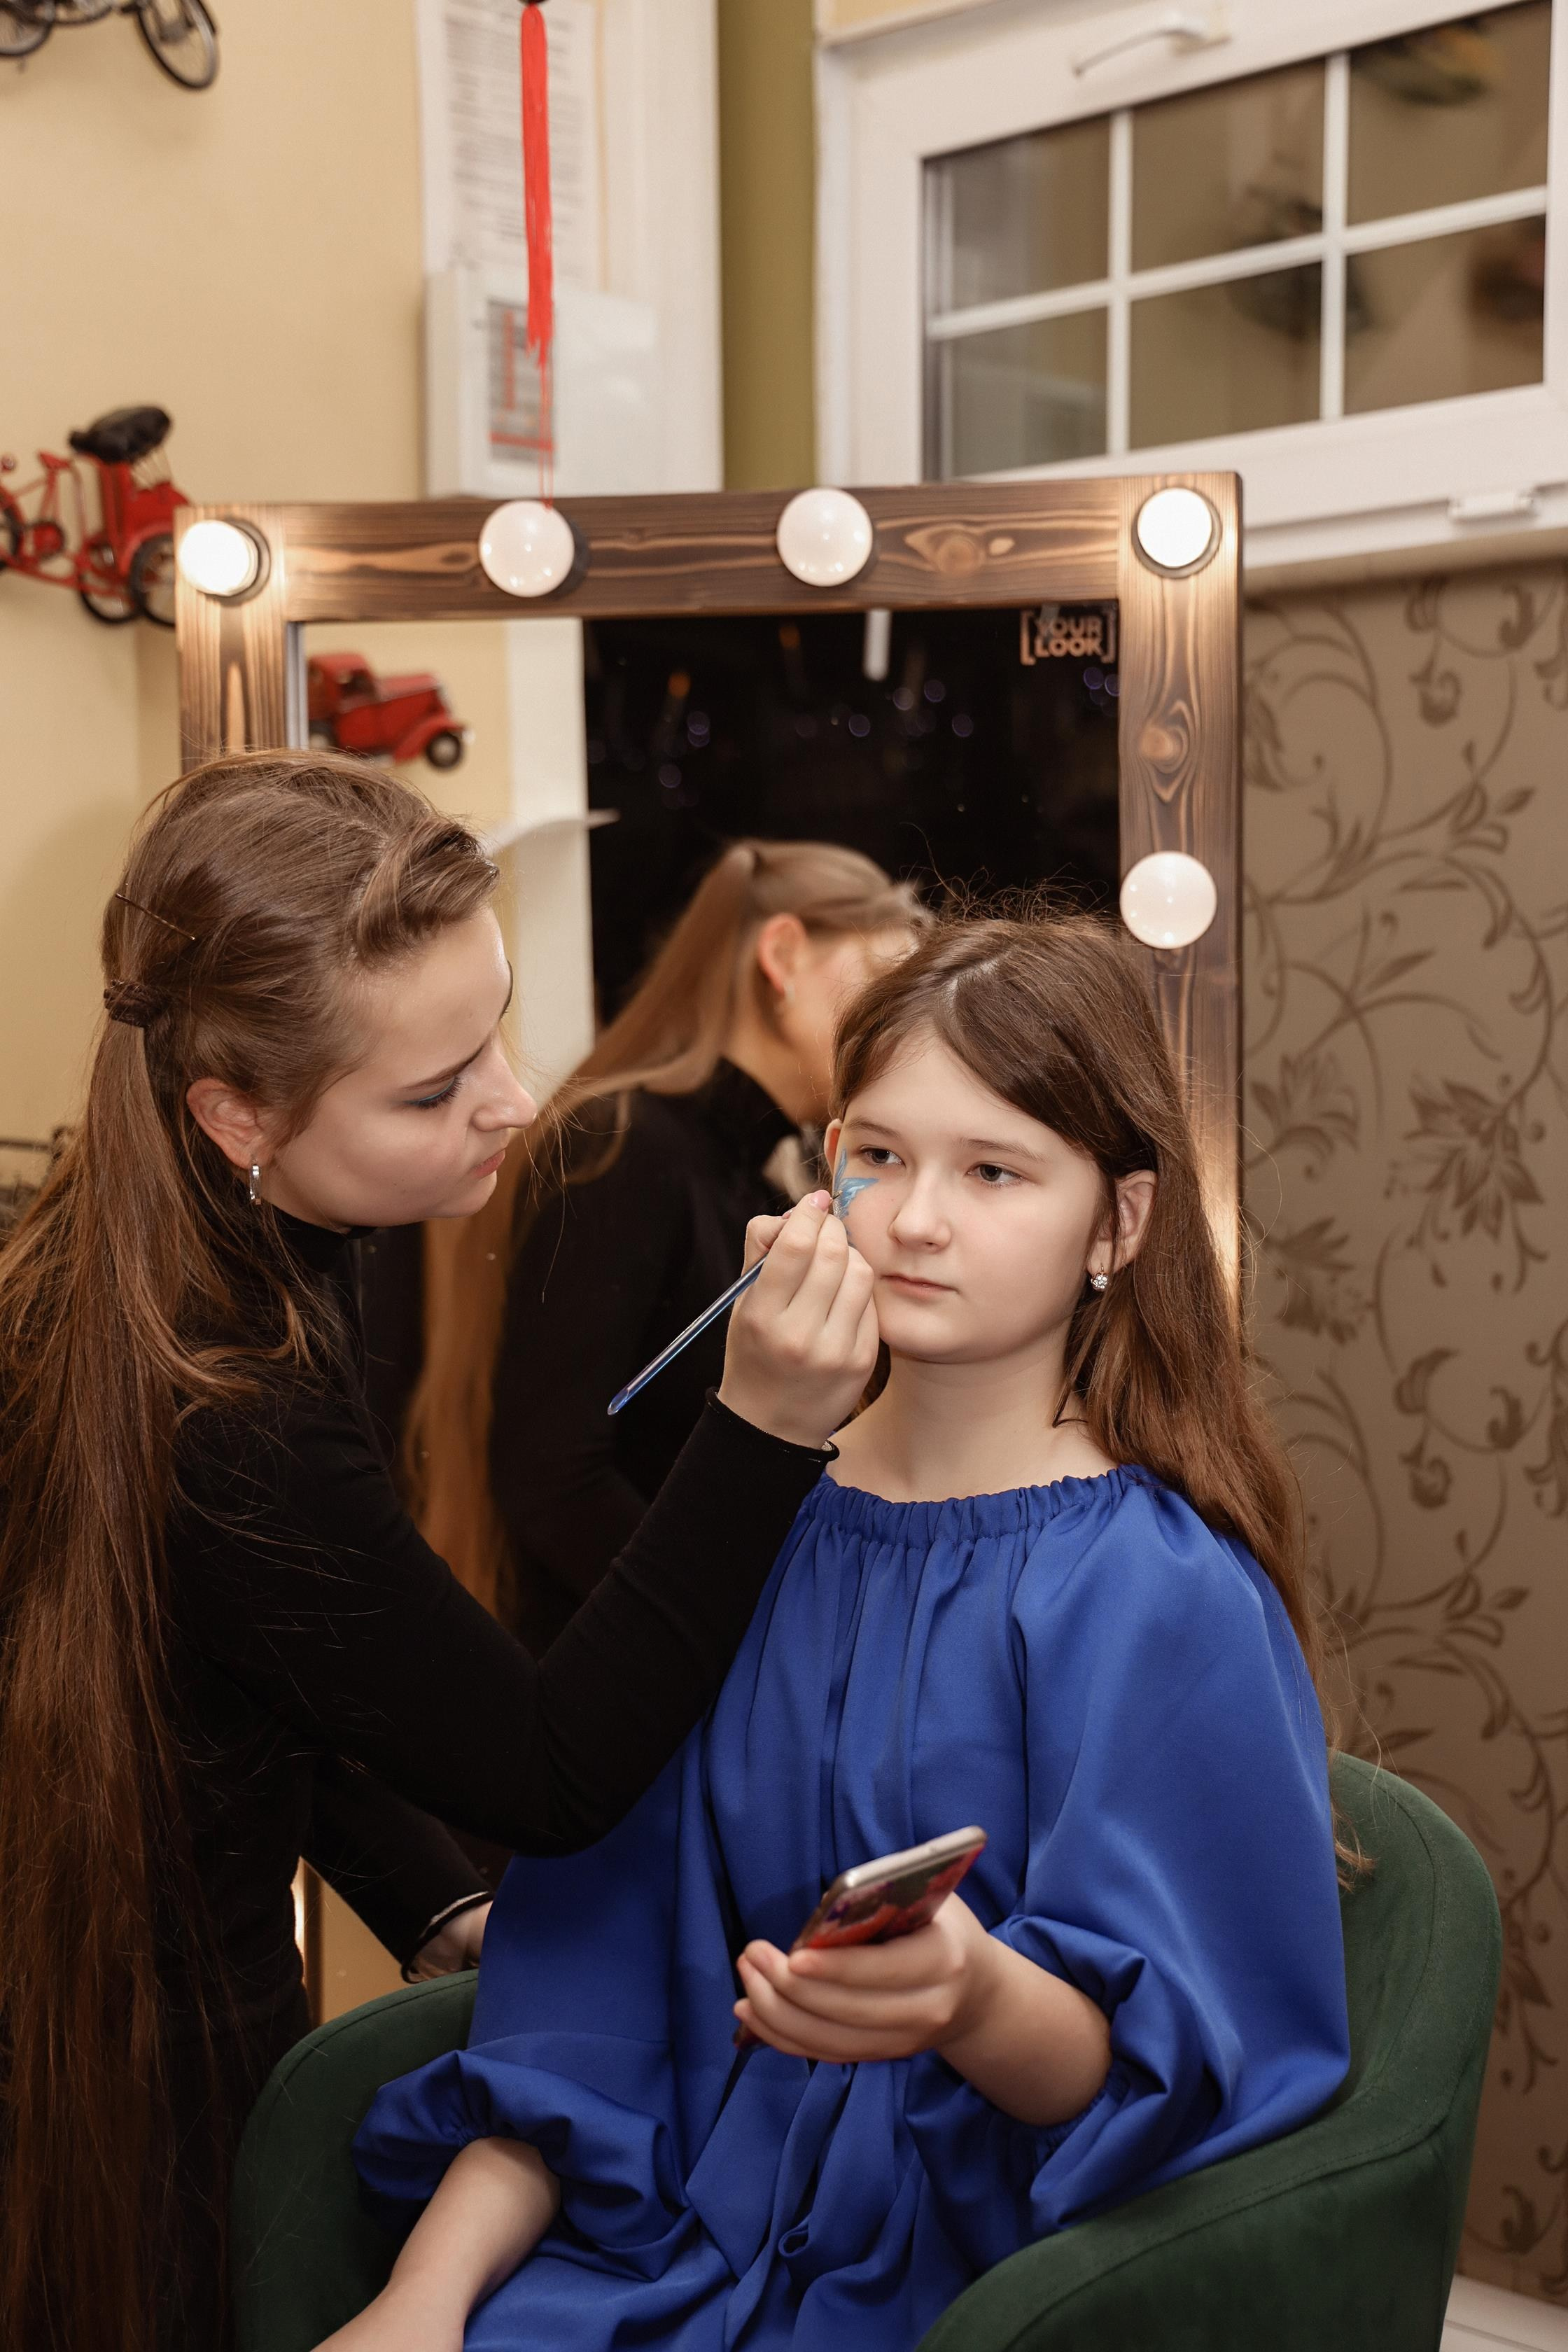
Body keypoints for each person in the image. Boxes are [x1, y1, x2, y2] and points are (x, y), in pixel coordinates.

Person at [331, 910, 1352, 2352]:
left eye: (994, 1171)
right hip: (670, 2235)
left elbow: (1174, 2087)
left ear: (1116, 1222)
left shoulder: (1157, 1591)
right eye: (874, 1155)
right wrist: (423, 2301)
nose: (915, 1219)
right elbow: (585, 2007)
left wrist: (970, 1995)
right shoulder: (741, 1539)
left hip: (993, 2286)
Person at [0, 753, 877, 2352]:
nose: (517, 1099)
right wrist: (761, 1433)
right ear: (236, 1111)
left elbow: (271, 1653)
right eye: (433, 1086)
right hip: (120, 2064)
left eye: (497, 1027)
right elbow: (551, 1772)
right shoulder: (226, 1399)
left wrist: (425, 1896)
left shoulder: (145, 1250)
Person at [411, 838, 922, 1648]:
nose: (897, 1029)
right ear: (782, 955)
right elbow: (551, 1476)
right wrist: (737, 1637)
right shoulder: (626, 1149)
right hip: (604, 1676)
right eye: (881, 985)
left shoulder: (740, 1173)